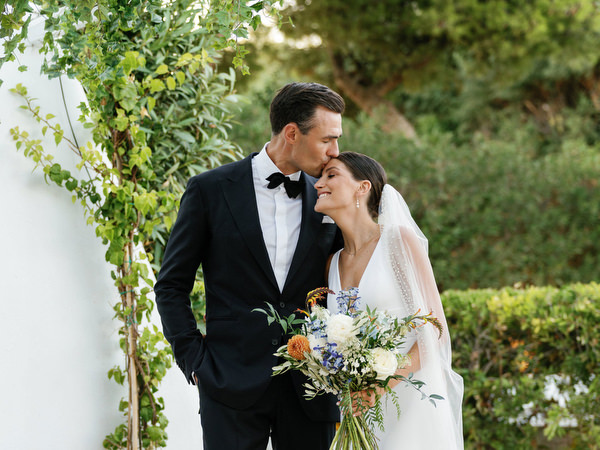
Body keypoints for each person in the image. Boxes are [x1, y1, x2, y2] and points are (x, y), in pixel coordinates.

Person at [154, 82, 345, 450]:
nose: (335, 152)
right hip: (229, 383)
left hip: (312, 385)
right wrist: (195, 360)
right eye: (327, 140)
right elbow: (171, 284)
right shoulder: (209, 190)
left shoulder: (331, 196)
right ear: (292, 133)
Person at [314, 151, 464, 449]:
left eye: (331, 175)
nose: (318, 184)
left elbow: (434, 330)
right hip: (357, 412)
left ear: (363, 187)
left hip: (408, 403)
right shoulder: (332, 263)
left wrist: (380, 386)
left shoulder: (397, 243)